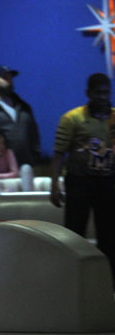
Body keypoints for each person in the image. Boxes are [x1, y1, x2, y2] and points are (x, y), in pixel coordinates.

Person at [50, 73, 115, 282]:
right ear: (88, 93)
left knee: (110, 235)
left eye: (106, 93)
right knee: (75, 232)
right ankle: (71, 279)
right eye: (98, 93)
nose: (103, 97)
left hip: (108, 182)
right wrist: (54, 184)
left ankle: (107, 282)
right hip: (80, 182)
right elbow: (59, 153)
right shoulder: (72, 118)